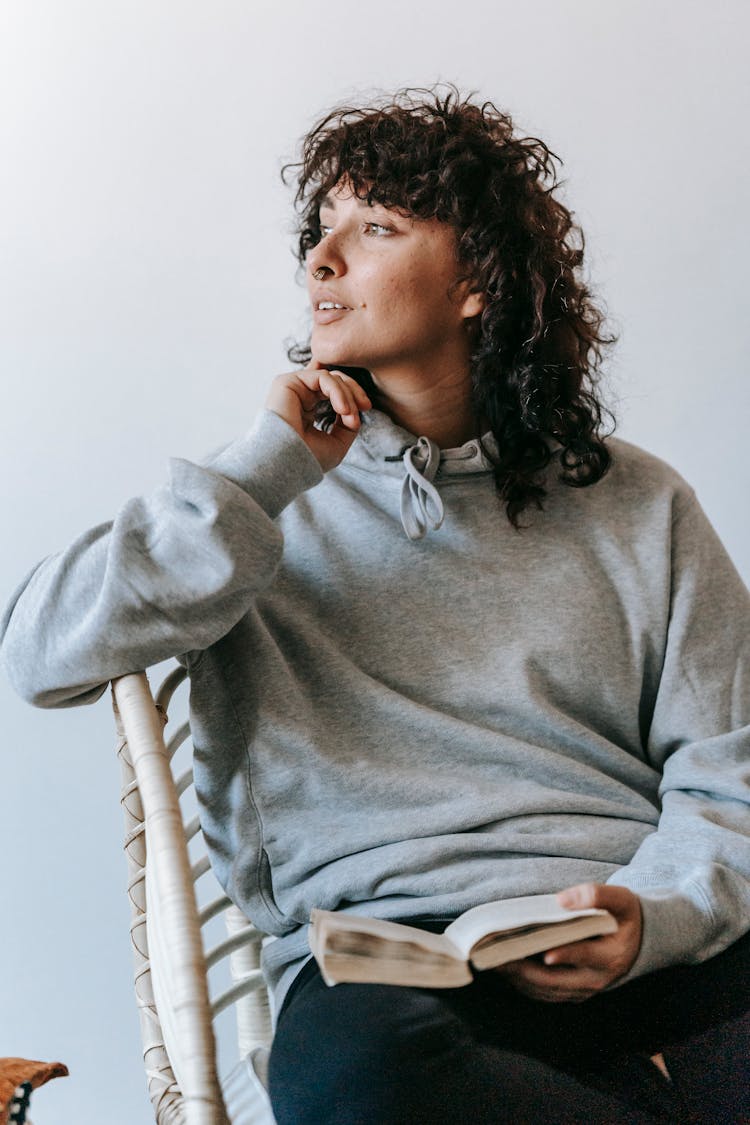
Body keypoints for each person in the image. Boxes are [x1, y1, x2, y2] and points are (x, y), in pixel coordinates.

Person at [2, 86, 749, 1123]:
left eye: (376, 228)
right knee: (354, 1083)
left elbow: (729, 772)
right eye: (320, 231)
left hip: (629, 939)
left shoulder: (641, 503)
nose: (321, 257)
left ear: (478, 281)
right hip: (391, 970)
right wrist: (263, 475)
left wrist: (653, 919)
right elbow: (39, 654)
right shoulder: (251, 507)